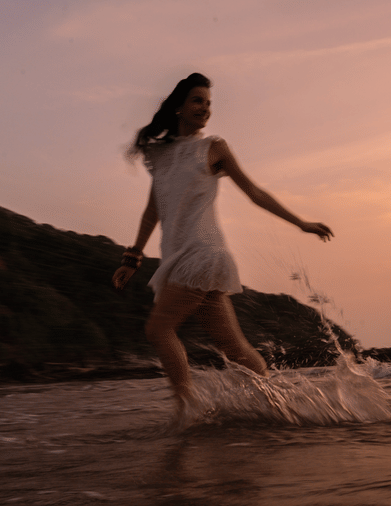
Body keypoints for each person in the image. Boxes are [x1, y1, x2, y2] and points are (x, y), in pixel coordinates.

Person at [113, 73, 333, 409]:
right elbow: (153, 208)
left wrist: (300, 223)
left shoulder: (213, 147)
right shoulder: (160, 156)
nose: (205, 108)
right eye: (197, 100)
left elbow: (254, 191)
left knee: (158, 331)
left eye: (208, 103)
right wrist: (133, 257)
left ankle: (187, 410)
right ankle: (280, 406)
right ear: (179, 107)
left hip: (202, 254)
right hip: (182, 258)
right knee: (235, 348)